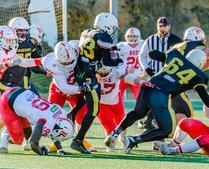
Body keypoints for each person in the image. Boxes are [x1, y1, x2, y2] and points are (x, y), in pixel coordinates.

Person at [105, 48, 209, 153]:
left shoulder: (176, 56)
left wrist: (167, 53)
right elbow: (206, 99)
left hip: (148, 85)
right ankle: (133, 140)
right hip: (160, 94)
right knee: (167, 130)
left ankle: (115, 133)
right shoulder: (199, 76)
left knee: (138, 113)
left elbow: (152, 54)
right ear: (201, 64)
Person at [70, 12, 122, 154]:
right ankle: (78, 140)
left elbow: (94, 51)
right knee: (94, 109)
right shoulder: (104, 35)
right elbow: (107, 60)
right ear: (107, 26)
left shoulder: (86, 32)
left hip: (80, 71)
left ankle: (72, 114)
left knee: (89, 99)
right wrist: (118, 59)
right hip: (88, 75)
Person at [43, 41, 95, 152]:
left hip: (75, 88)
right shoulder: (52, 64)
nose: (68, 65)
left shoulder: (77, 47)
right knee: (53, 116)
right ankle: (56, 144)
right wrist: (80, 88)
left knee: (82, 115)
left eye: (70, 61)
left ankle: (82, 140)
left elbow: (86, 42)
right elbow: (64, 88)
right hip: (59, 89)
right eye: (64, 63)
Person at [0, 87, 74, 155]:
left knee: (27, 127)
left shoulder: (61, 113)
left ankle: (24, 140)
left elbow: (55, 129)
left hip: (23, 93)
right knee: (18, 140)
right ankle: (5, 136)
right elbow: (33, 143)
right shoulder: (45, 121)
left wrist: (60, 149)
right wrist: (41, 152)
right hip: (8, 100)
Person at [118, 27, 144, 100]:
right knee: (116, 98)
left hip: (136, 76)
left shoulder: (143, 44)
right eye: (130, 36)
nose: (132, 38)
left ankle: (140, 111)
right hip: (123, 76)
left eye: (134, 36)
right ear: (126, 36)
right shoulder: (121, 46)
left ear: (138, 37)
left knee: (140, 99)